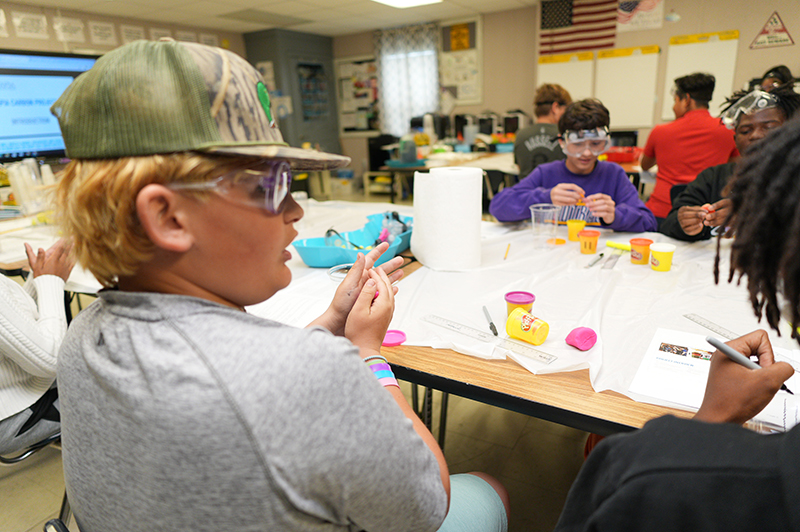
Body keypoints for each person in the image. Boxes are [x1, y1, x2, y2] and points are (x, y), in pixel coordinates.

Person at [51, 39, 509, 532]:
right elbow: (424, 506)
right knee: (489, 486)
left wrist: (334, 321)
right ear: (167, 216)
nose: (296, 211)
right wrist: (368, 352)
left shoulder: (82, 334)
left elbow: (251, 385)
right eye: (270, 186)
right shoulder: (307, 375)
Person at [554, 115, 800, 532]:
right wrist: (685, 222)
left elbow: (656, 479)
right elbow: (666, 221)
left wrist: (713, 417)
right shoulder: (713, 178)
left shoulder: (655, 469)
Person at [490, 98, 656, 233]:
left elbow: (649, 223)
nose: (587, 153)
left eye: (596, 144)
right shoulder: (546, 173)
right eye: (577, 144)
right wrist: (546, 198)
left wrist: (615, 215)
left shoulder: (614, 174)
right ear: (562, 142)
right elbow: (498, 207)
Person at [660, 84, 800, 241]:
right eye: (745, 131)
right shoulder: (714, 177)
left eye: (769, 128)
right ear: (735, 140)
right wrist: (686, 223)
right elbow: (669, 224)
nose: (755, 135)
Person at [0, 239, 74, 454]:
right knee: (116, 388)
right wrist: (51, 280)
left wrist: (39, 278)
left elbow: (12, 326)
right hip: (10, 417)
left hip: (14, 387)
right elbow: (52, 360)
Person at [641, 73, 738, 222]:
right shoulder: (728, 131)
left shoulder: (660, 131)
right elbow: (732, 167)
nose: (673, 107)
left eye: (675, 101)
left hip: (661, 213)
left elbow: (645, 165)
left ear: (686, 100)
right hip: (707, 215)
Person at [513, 83, 572, 179]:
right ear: (555, 107)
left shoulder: (520, 134)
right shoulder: (565, 134)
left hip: (527, 192)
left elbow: (519, 167)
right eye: (565, 110)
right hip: (558, 192)